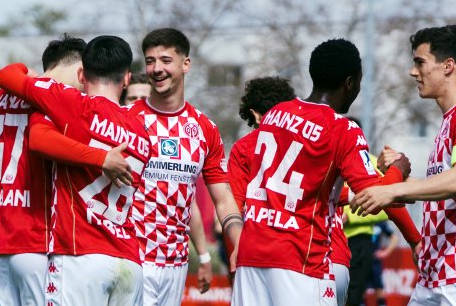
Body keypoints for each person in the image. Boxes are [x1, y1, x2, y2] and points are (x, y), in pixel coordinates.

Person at [0, 34, 133, 305]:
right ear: (81, 72)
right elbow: (42, 142)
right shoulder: (58, 102)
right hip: (38, 247)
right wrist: (101, 158)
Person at [231, 38, 413, 306]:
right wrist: (398, 170)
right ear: (350, 83)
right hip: (300, 259)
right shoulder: (342, 129)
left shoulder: (276, 115)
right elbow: (374, 197)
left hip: (252, 256)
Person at [351, 24, 456, 305]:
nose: (413, 72)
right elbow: (446, 190)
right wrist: (398, 176)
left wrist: (392, 191)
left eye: (420, 62)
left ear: (448, 66)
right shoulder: (451, 120)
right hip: (436, 274)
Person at [0, 35, 150, 305]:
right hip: (129, 260)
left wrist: (33, 77)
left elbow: (6, 76)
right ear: (126, 79)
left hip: (81, 256)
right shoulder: (142, 131)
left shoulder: (73, 104)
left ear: (81, 74)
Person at [128, 28, 243, 306]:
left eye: (166, 60)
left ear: (185, 64)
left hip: (176, 263)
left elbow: (223, 197)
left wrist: (239, 242)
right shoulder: (125, 119)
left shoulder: (205, 129)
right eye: (150, 61)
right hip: (131, 257)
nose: (156, 69)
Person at [226, 75, 296, 283]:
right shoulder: (305, 145)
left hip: (253, 253)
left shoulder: (242, 148)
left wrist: (234, 252)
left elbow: (233, 208)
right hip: (298, 254)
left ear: (254, 114)